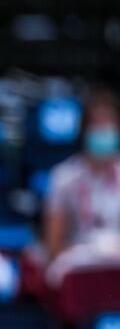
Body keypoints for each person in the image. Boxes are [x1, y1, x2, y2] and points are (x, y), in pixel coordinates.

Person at [43, 89, 120, 284]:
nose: (103, 131)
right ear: (84, 131)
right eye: (97, 125)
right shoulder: (63, 177)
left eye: (108, 125)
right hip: (81, 269)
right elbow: (53, 246)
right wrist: (87, 255)